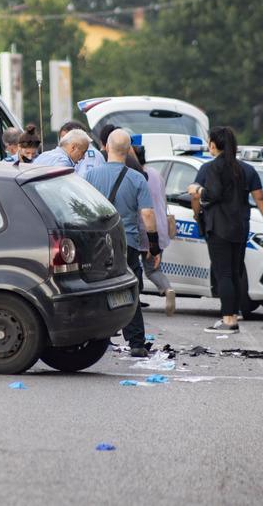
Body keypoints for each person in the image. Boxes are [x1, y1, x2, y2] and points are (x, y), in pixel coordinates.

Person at [187, 127, 263, 334]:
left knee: (223, 273)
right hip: (240, 226)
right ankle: (233, 313)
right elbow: (259, 197)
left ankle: (228, 319)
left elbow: (197, 198)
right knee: (235, 272)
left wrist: (197, 205)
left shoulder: (208, 168)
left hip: (218, 227)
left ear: (213, 145)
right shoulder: (246, 169)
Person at [86, 129, 158, 357]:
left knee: (97, 290)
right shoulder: (137, 178)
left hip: (97, 245)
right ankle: (136, 342)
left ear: (106, 147)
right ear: (128, 151)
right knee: (130, 291)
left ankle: (96, 339)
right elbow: (147, 215)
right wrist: (154, 246)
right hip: (127, 244)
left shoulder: (89, 177)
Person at [137, 144, 176, 316]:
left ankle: (133, 300)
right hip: (159, 227)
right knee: (153, 269)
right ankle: (167, 289)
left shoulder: (134, 176)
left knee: (131, 267)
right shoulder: (156, 175)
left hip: (140, 226)